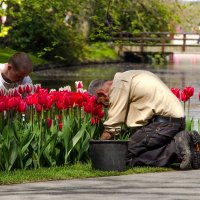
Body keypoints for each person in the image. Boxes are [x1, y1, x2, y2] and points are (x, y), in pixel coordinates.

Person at [88, 70, 200, 170]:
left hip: (164, 123)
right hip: (177, 121)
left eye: (100, 102)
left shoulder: (119, 86)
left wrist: (98, 151)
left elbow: (111, 127)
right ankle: (191, 148)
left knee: (124, 155)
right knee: (140, 149)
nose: (104, 106)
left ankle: (176, 150)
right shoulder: (130, 76)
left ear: (101, 93)